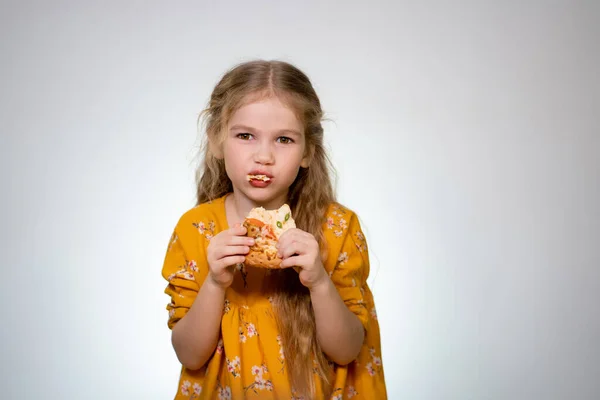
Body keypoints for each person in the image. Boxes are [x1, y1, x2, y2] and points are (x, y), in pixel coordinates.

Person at [161, 60, 387, 399]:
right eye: (245, 136)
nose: (264, 156)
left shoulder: (336, 228)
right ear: (217, 142)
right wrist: (214, 282)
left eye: (283, 139)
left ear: (308, 151)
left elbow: (348, 351)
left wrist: (319, 282)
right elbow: (190, 355)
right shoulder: (196, 229)